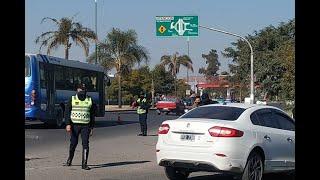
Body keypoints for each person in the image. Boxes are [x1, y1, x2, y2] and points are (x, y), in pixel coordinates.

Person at [64, 83, 96, 170]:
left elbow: (92, 115)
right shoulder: (72, 99)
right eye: (80, 89)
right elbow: (67, 112)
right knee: (73, 144)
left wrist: (92, 127)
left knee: (85, 144)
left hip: (85, 126)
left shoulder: (90, 100)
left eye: (83, 89)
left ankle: (84, 164)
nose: (82, 91)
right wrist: (67, 124)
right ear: (77, 90)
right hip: (74, 125)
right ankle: (70, 159)